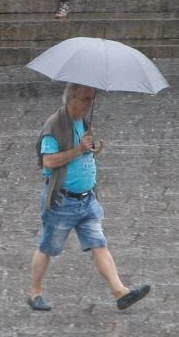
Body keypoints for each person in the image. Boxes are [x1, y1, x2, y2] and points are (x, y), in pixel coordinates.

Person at [28, 83, 151, 312]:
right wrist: (78, 150)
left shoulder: (82, 121)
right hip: (62, 201)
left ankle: (120, 292)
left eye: (92, 99)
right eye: (86, 99)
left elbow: (82, 153)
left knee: (98, 243)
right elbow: (49, 161)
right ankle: (35, 292)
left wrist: (94, 150)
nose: (90, 103)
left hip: (87, 200)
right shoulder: (55, 126)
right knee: (48, 247)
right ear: (71, 98)